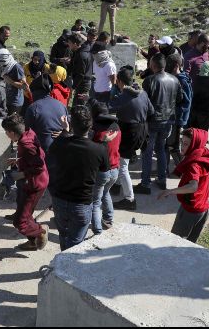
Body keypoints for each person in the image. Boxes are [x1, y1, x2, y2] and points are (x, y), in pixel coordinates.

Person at [47, 106, 109, 251]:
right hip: (81, 204)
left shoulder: (60, 143)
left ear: (72, 124)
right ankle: (66, 267)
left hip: (59, 201)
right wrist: (104, 142)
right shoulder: (99, 149)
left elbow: (54, 149)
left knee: (63, 235)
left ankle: (61, 265)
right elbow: (104, 168)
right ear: (91, 125)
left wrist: (65, 130)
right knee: (75, 243)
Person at [158, 128, 209, 243]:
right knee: (190, 245)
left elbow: (193, 186)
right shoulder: (204, 153)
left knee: (175, 242)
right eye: (181, 142)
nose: (182, 146)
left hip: (190, 211)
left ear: (195, 144)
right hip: (204, 209)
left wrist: (170, 191)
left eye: (185, 144)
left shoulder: (193, 164)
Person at [2, 114, 49, 251]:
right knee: (24, 214)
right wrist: (20, 160)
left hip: (35, 185)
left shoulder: (25, 144)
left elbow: (39, 165)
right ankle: (33, 241)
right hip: (31, 182)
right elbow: (40, 155)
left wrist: (22, 173)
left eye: (6, 132)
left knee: (20, 222)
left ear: (11, 132)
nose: (6, 134)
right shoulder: (29, 133)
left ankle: (41, 232)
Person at [135, 53, 181, 194]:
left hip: (153, 120)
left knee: (147, 152)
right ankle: (162, 179)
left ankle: (145, 183)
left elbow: (144, 102)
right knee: (161, 149)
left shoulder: (149, 80)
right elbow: (180, 98)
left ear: (153, 65)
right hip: (168, 120)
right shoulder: (174, 80)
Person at [110, 66, 154, 211]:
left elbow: (107, 108)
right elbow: (151, 111)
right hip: (143, 130)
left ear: (120, 82)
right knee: (122, 161)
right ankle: (116, 186)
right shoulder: (143, 93)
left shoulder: (122, 97)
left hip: (130, 132)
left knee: (122, 166)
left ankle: (129, 199)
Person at [90, 102, 121, 235]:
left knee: (95, 202)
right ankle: (108, 219)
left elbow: (92, 150)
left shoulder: (97, 131)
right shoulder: (117, 127)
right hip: (115, 169)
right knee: (105, 193)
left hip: (102, 171)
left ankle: (97, 230)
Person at [24, 73, 68, 154]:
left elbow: (28, 136)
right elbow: (66, 127)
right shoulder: (62, 105)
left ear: (35, 92)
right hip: (61, 151)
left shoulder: (33, 108)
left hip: (42, 154)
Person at [189, 61, 209, 131]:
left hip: (193, 109)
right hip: (204, 111)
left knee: (193, 130)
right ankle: (202, 140)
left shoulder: (195, 79)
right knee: (203, 129)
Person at [0, 48, 27, 116]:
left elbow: (24, 86)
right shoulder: (5, 67)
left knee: (13, 123)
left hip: (16, 102)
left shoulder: (17, 67)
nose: (3, 65)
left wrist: (10, 81)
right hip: (8, 100)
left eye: (4, 63)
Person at [67, 32, 93, 106]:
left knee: (79, 107)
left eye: (69, 43)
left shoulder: (81, 55)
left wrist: (73, 87)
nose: (68, 45)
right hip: (81, 83)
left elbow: (81, 74)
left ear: (75, 44)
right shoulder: (78, 52)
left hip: (83, 84)